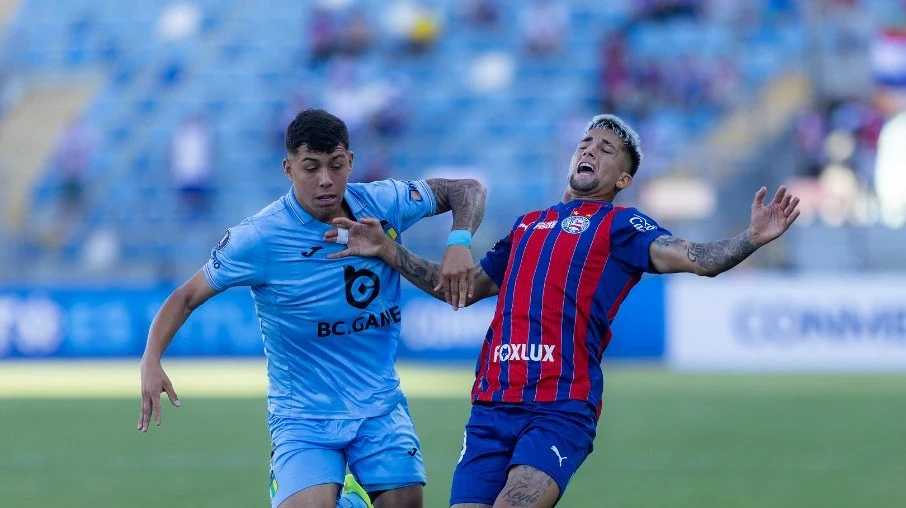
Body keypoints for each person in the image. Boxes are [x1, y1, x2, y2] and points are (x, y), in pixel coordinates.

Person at [325, 113, 801, 508]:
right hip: (492, 405)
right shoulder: (528, 226)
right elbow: (461, 290)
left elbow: (700, 259)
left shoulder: (623, 226)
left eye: (607, 149)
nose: (590, 150)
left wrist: (752, 237)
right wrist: (388, 250)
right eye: (586, 142)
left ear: (623, 178)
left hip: (560, 407)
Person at [137, 108, 488, 508]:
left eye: (336, 166)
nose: (326, 180)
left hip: (379, 406)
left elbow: (468, 189)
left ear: (351, 162)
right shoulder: (259, 237)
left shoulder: (382, 202)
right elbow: (185, 296)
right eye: (311, 168)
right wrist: (151, 358)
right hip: (304, 417)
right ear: (288, 169)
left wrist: (458, 239)